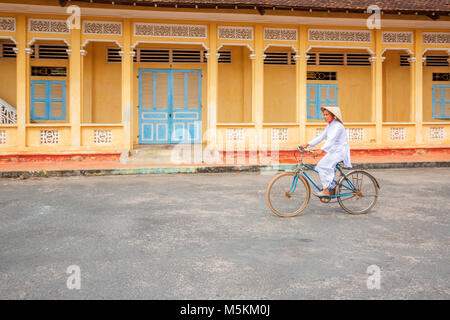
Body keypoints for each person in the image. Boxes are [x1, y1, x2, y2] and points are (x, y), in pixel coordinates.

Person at [300, 106, 352, 197]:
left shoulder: (338, 126)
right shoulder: (329, 125)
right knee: (320, 167)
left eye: (327, 115)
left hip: (340, 151)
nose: (324, 117)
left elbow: (331, 140)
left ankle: (326, 190)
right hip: (334, 151)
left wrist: (321, 150)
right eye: (324, 115)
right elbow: (321, 137)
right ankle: (332, 186)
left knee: (322, 166)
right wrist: (307, 144)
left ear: (333, 115)